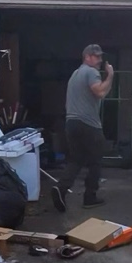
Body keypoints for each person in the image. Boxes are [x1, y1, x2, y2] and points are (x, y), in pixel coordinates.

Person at [52, 44, 115, 212]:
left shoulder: (75, 74)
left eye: (100, 57)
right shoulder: (91, 72)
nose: (100, 60)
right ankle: (90, 197)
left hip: (71, 123)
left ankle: (61, 188)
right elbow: (100, 92)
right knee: (96, 161)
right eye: (96, 56)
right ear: (87, 57)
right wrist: (110, 75)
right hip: (88, 124)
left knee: (76, 159)